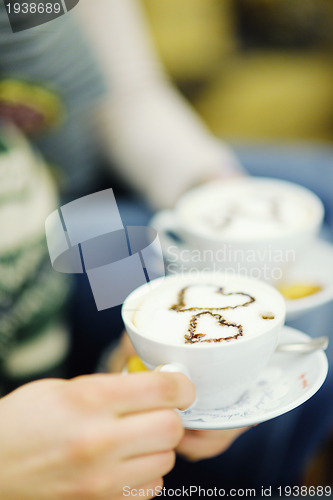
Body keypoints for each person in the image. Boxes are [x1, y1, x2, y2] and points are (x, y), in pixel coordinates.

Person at [0, 0, 249, 498]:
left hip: (77, 202)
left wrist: (222, 207)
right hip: (70, 219)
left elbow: (127, 92)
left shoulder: (19, 179)